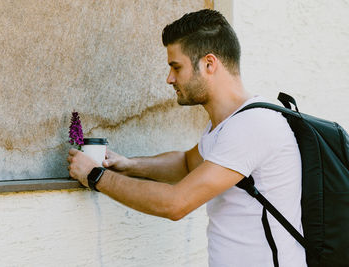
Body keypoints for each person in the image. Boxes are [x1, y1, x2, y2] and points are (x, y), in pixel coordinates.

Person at [67, 9, 306, 267]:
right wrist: (128, 164)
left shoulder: (253, 125)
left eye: (176, 67)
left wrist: (95, 176)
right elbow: (186, 164)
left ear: (209, 64)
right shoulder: (226, 125)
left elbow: (175, 203)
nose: (169, 78)